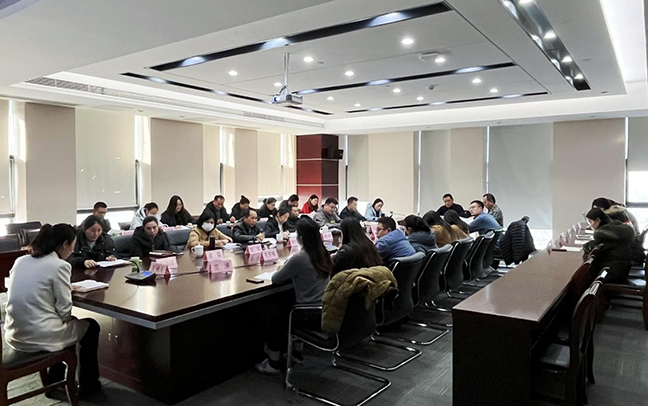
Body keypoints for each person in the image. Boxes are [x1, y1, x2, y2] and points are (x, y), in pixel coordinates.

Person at [4, 224, 102, 395]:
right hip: (40, 336)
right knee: (91, 326)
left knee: (68, 327)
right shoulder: (59, 265)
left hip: (15, 334)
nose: (73, 250)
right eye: (72, 246)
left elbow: (32, 286)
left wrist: (65, 288)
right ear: (65, 244)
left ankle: (55, 381)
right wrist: (65, 311)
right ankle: (89, 386)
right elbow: (64, 310)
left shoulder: (21, 260)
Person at [256, 218, 332, 374]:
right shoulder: (324, 254)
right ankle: (296, 354)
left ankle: (273, 363)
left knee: (274, 316)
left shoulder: (300, 258)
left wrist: (284, 268)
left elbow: (276, 279)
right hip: (324, 309)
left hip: (307, 313)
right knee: (284, 303)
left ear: (301, 238)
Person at [583, 208, 636, 283]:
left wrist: (586, 246)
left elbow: (590, 248)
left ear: (598, 220)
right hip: (623, 268)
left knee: (585, 275)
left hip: (613, 272)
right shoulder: (614, 229)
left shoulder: (602, 234)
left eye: (590, 222)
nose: (589, 225)